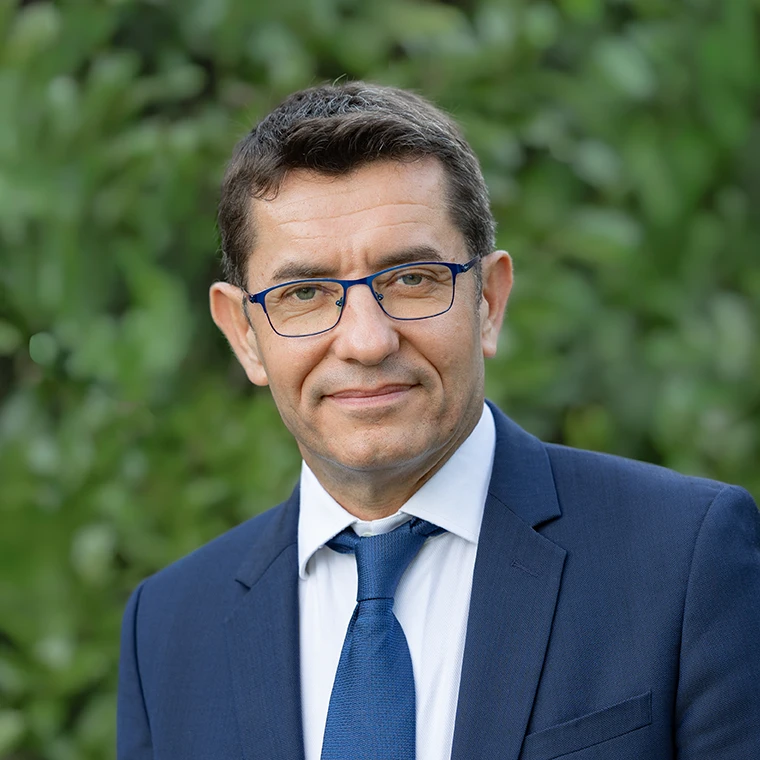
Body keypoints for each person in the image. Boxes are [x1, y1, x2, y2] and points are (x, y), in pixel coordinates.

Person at [117, 81, 760, 760]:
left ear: (489, 301)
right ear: (244, 334)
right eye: (304, 292)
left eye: (411, 279)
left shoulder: (684, 560)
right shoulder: (165, 630)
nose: (367, 342)